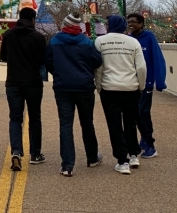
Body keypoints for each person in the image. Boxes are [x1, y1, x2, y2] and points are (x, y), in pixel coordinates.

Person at [45, 13, 103, 177]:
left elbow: (48, 62)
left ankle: (67, 165)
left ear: (64, 24)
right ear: (79, 27)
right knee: (87, 123)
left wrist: (58, 74)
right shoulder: (86, 42)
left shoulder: (55, 41)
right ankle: (92, 157)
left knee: (65, 125)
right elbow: (97, 61)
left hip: (63, 87)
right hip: (84, 87)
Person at [94, 14, 147, 175]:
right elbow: (141, 68)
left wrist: (99, 86)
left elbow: (98, 67)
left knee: (114, 124)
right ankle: (133, 154)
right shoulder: (133, 42)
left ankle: (122, 160)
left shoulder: (100, 41)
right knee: (130, 122)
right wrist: (141, 85)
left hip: (110, 88)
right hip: (130, 88)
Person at [0, 7, 48, 171]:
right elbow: (43, 59)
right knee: (35, 117)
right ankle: (35, 154)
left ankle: (16, 151)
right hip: (33, 82)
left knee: (15, 118)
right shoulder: (38, 37)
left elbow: (3, 56)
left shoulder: (9, 35)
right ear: (33, 19)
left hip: (13, 82)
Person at [127, 12, 167, 158]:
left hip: (147, 83)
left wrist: (160, 81)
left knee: (143, 113)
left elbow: (158, 59)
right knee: (136, 114)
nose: (130, 24)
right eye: (128, 22)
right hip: (132, 83)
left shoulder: (149, 38)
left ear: (141, 24)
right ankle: (143, 139)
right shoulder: (129, 40)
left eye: (133, 22)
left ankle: (150, 145)